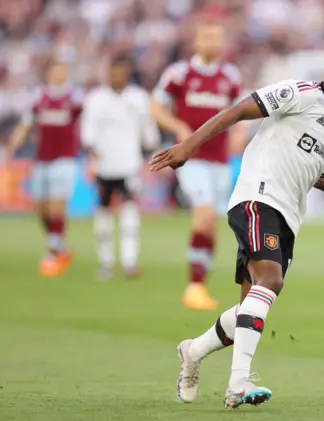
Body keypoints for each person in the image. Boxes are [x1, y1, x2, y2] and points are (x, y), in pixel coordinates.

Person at [150, 42, 324, 409]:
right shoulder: (299, 93)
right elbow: (239, 110)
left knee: (250, 308)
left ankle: (193, 351)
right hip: (257, 197)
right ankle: (238, 385)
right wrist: (189, 146)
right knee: (271, 281)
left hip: (289, 217)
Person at [151, 21, 245, 310]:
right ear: (196, 41)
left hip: (219, 161)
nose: (212, 42)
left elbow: (239, 110)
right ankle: (193, 286)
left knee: (212, 223)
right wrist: (178, 126)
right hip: (191, 160)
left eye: (216, 37)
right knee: (203, 215)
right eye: (206, 35)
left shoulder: (230, 75)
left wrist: (239, 134)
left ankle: (200, 284)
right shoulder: (179, 73)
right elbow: (155, 107)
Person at [81, 55, 160, 279]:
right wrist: (91, 151)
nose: (116, 76)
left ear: (127, 73)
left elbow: (148, 131)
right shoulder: (96, 99)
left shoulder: (138, 98)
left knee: (130, 210)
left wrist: (152, 152)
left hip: (129, 164)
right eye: (113, 72)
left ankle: (129, 261)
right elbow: (88, 131)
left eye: (121, 72)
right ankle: (106, 262)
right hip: (104, 165)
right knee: (104, 211)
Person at [4, 59, 83, 277]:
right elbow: (26, 125)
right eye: (57, 71)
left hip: (65, 159)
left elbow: (85, 122)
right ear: (49, 73)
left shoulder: (75, 98)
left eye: (63, 71)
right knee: (41, 209)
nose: (60, 75)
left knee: (58, 205)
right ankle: (61, 247)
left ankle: (52, 252)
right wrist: (11, 146)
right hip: (43, 159)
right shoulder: (39, 98)